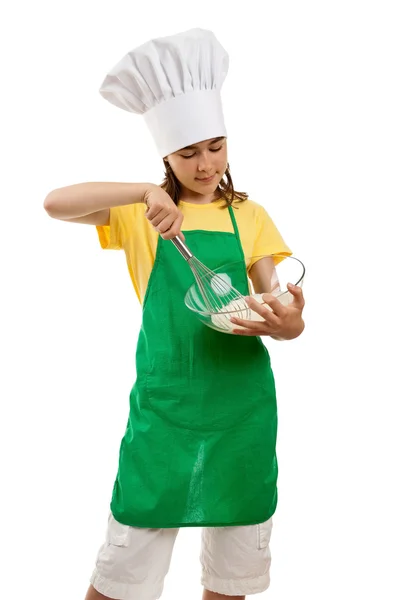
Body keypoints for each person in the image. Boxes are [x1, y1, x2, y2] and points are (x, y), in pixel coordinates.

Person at [44, 28, 305, 600]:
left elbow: (276, 299)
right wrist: (142, 192)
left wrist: (290, 322)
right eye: (188, 153)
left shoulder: (250, 215)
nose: (206, 163)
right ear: (165, 154)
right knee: (124, 569)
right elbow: (54, 203)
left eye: (215, 146)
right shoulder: (145, 215)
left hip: (242, 407)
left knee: (233, 574)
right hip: (166, 404)